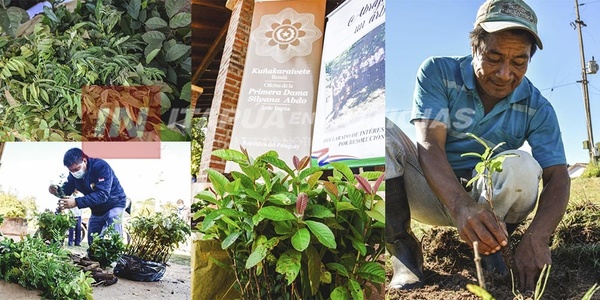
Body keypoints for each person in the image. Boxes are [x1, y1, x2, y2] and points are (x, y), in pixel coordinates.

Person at [386, 0, 570, 292]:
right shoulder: (438, 72)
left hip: (488, 201)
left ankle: (492, 249)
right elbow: (429, 143)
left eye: (518, 62)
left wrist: (537, 236)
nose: (504, 74)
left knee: (522, 165)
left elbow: (558, 176)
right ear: (475, 47)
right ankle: (403, 250)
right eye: (493, 58)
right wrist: (461, 207)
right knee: (381, 131)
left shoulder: (538, 107)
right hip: (429, 193)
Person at [49, 148, 128, 247]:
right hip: (97, 209)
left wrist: (76, 202)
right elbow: (67, 189)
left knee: (113, 238)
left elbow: (103, 194)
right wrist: (57, 191)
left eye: (77, 169)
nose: (74, 172)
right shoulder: (73, 175)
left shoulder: (101, 167)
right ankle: (95, 260)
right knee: (92, 240)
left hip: (114, 204)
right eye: (71, 170)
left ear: (84, 161)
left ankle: (115, 261)